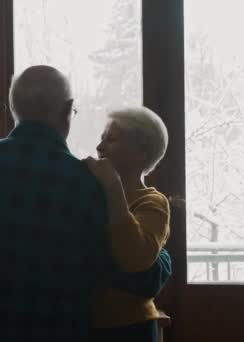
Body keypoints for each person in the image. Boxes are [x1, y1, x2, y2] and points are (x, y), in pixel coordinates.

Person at [0, 65, 170, 342]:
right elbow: (131, 271)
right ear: (68, 109)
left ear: (14, 109)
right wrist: (164, 259)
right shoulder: (87, 184)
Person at [85, 106, 171, 342]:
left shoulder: (153, 202)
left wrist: (114, 187)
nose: (99, 147)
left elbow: (134, 258)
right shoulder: (89, 194)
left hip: (130, 326)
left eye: (111, 140)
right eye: (102, 138)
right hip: (81, 322)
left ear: (141, 153)